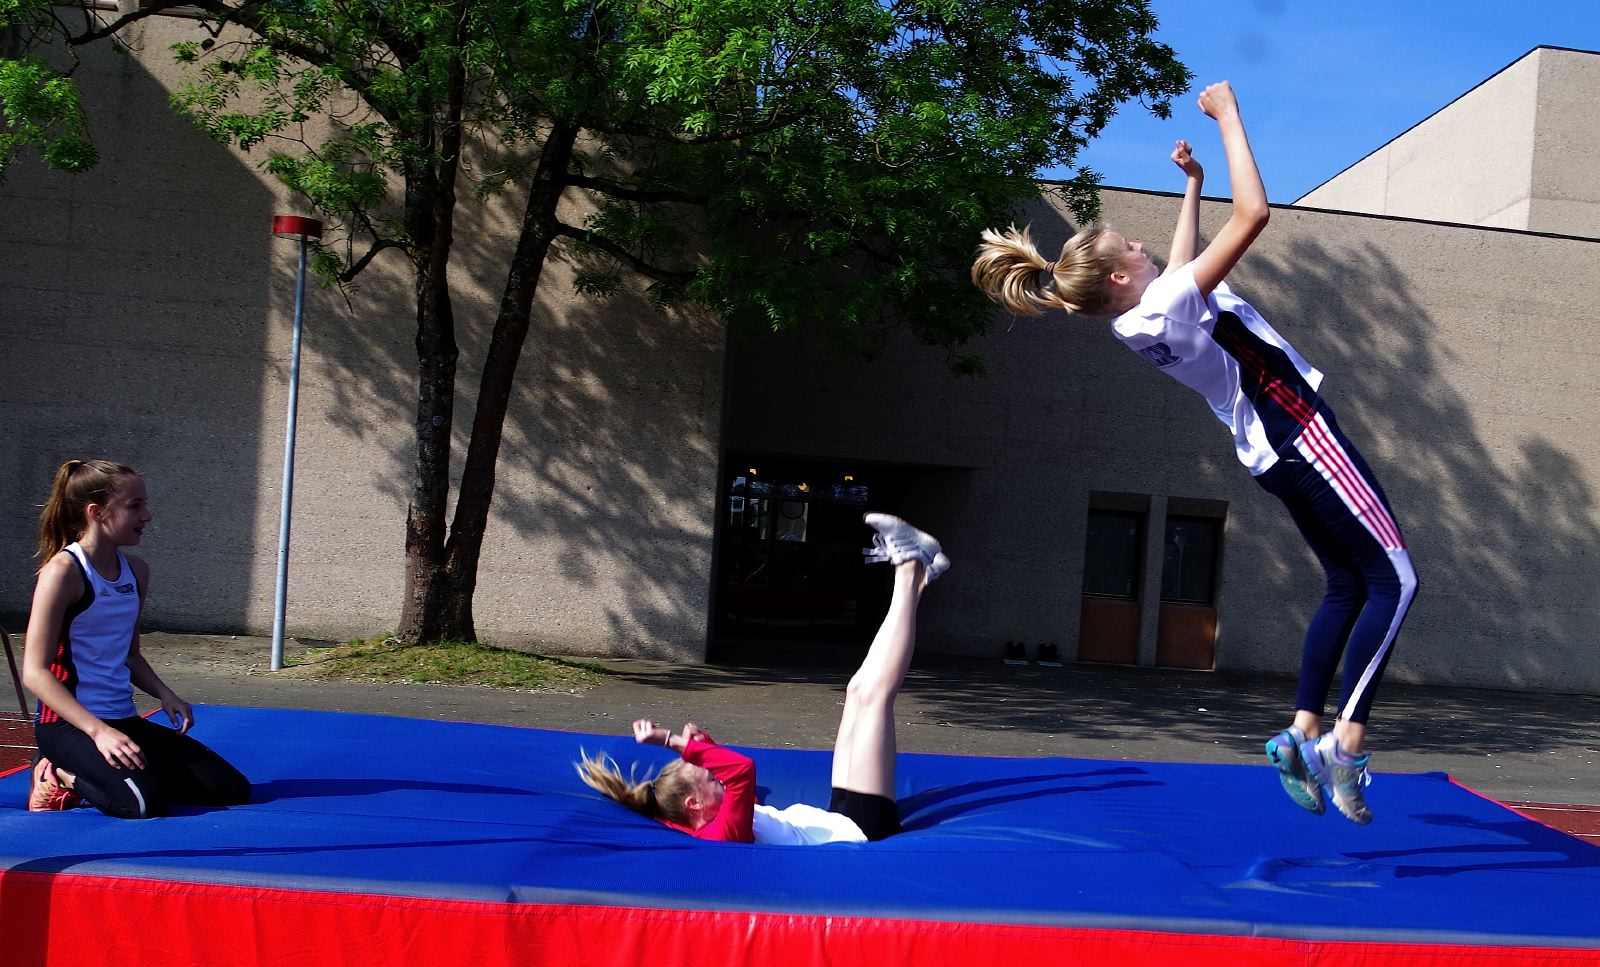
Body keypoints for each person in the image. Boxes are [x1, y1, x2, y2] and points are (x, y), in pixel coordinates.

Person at [970, 82, 1417, 825]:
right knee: (1396, 582)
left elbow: (1175, 269)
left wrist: (1192, 185)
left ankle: (1300, 729)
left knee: (1346, 584)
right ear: (1120, 277)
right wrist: (1230, 117)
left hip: (1268, 455)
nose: (1140, 246)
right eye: (1129, 247)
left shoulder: (1136, 321)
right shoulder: (1163, 303)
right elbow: (1256, 215)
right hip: (1301, 431)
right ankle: (1344, 743)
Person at [576, 513, 949, 844]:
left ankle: (917, 580)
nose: (718, 779)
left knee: (856, 691)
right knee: (874, 697)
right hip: (864, 829)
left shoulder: (707, 814)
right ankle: (908, 565)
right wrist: (673, 742)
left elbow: (732, 785)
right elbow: (741, 772)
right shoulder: (722, 832)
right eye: (711, 780)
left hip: (839, 818)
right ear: (695, 804)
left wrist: (702, 745)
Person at [21, 459, 251, 818]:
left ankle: (127, 774)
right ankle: (57, 773)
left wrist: (165, 694)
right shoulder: (63, 573)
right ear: (96, 512)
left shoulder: (136, 571)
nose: (147, 516)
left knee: (231, 788)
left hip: (123, 720)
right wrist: (98, 732)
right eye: (135, 506)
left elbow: (130, 656)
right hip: (68, 726)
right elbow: (34, 673)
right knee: (144, 803)